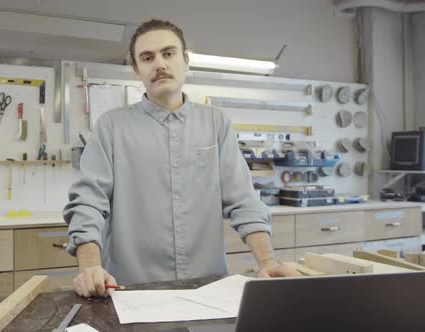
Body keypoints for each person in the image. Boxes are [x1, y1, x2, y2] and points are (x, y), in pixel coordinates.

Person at [63, 19, 301, 298]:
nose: (159, 63)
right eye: (147, 57)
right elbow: (89, 201)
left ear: (186, 60)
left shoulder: (216, 123)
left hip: (207, 288)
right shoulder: (111, 126)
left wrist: (268, 261)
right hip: (131, 290)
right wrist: (90, 266)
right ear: (137, 70)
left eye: (168, 53)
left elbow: (243, 200)